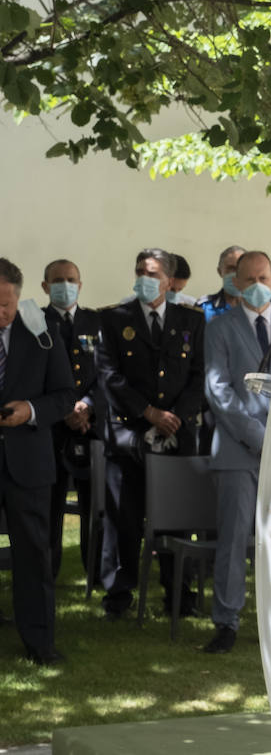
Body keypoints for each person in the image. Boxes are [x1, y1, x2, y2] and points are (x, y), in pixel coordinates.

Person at [201, 251, 271, 654]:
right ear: (236, 282)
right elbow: (218, 391)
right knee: (234, 538)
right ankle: (226, 621)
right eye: (247, 278)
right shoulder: (220, 328)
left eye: (262, 277)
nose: (255, 284)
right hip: (237, 452)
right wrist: (257, 435)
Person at [96, 248, 204, 619]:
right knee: (124, 518)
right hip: (128, 435)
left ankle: (179, 594)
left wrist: (176, 416)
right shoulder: (113, 318)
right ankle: (119, 595)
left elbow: (200, 376)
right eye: (140, 270)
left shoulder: (191, 319)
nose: (145, 277)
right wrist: (148, 412)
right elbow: (109, 375)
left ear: (170, 281)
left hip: (175, 435)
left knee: (177, 518)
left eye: (153, 273)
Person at [0, 257, 77, 665]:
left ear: (18, 298)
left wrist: (29, 410)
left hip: (27, 461)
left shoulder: (41, 333)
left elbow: (65, 395)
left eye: (5, 306)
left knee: (33, 555)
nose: (0, 314)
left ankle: (40, 642)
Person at [41, 259, 103, 580]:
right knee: (50, 507)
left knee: (94, 508)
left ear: (80, 284)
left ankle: (95, 574)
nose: (65, 285)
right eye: (58, 280)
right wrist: (64, 409)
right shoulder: (34, 323)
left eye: (71, 279)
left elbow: (106, 372)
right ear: (45, 286)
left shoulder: (96, 322)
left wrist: (87, 406)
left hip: (88, 429)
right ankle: (47, 576)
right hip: (51, 430)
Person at [197, 245, 245, 322]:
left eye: (240, 268)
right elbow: (189, 334)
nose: (236, 273)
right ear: (220, 271)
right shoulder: (204, 307)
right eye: (230, 268)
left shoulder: (259, 307)